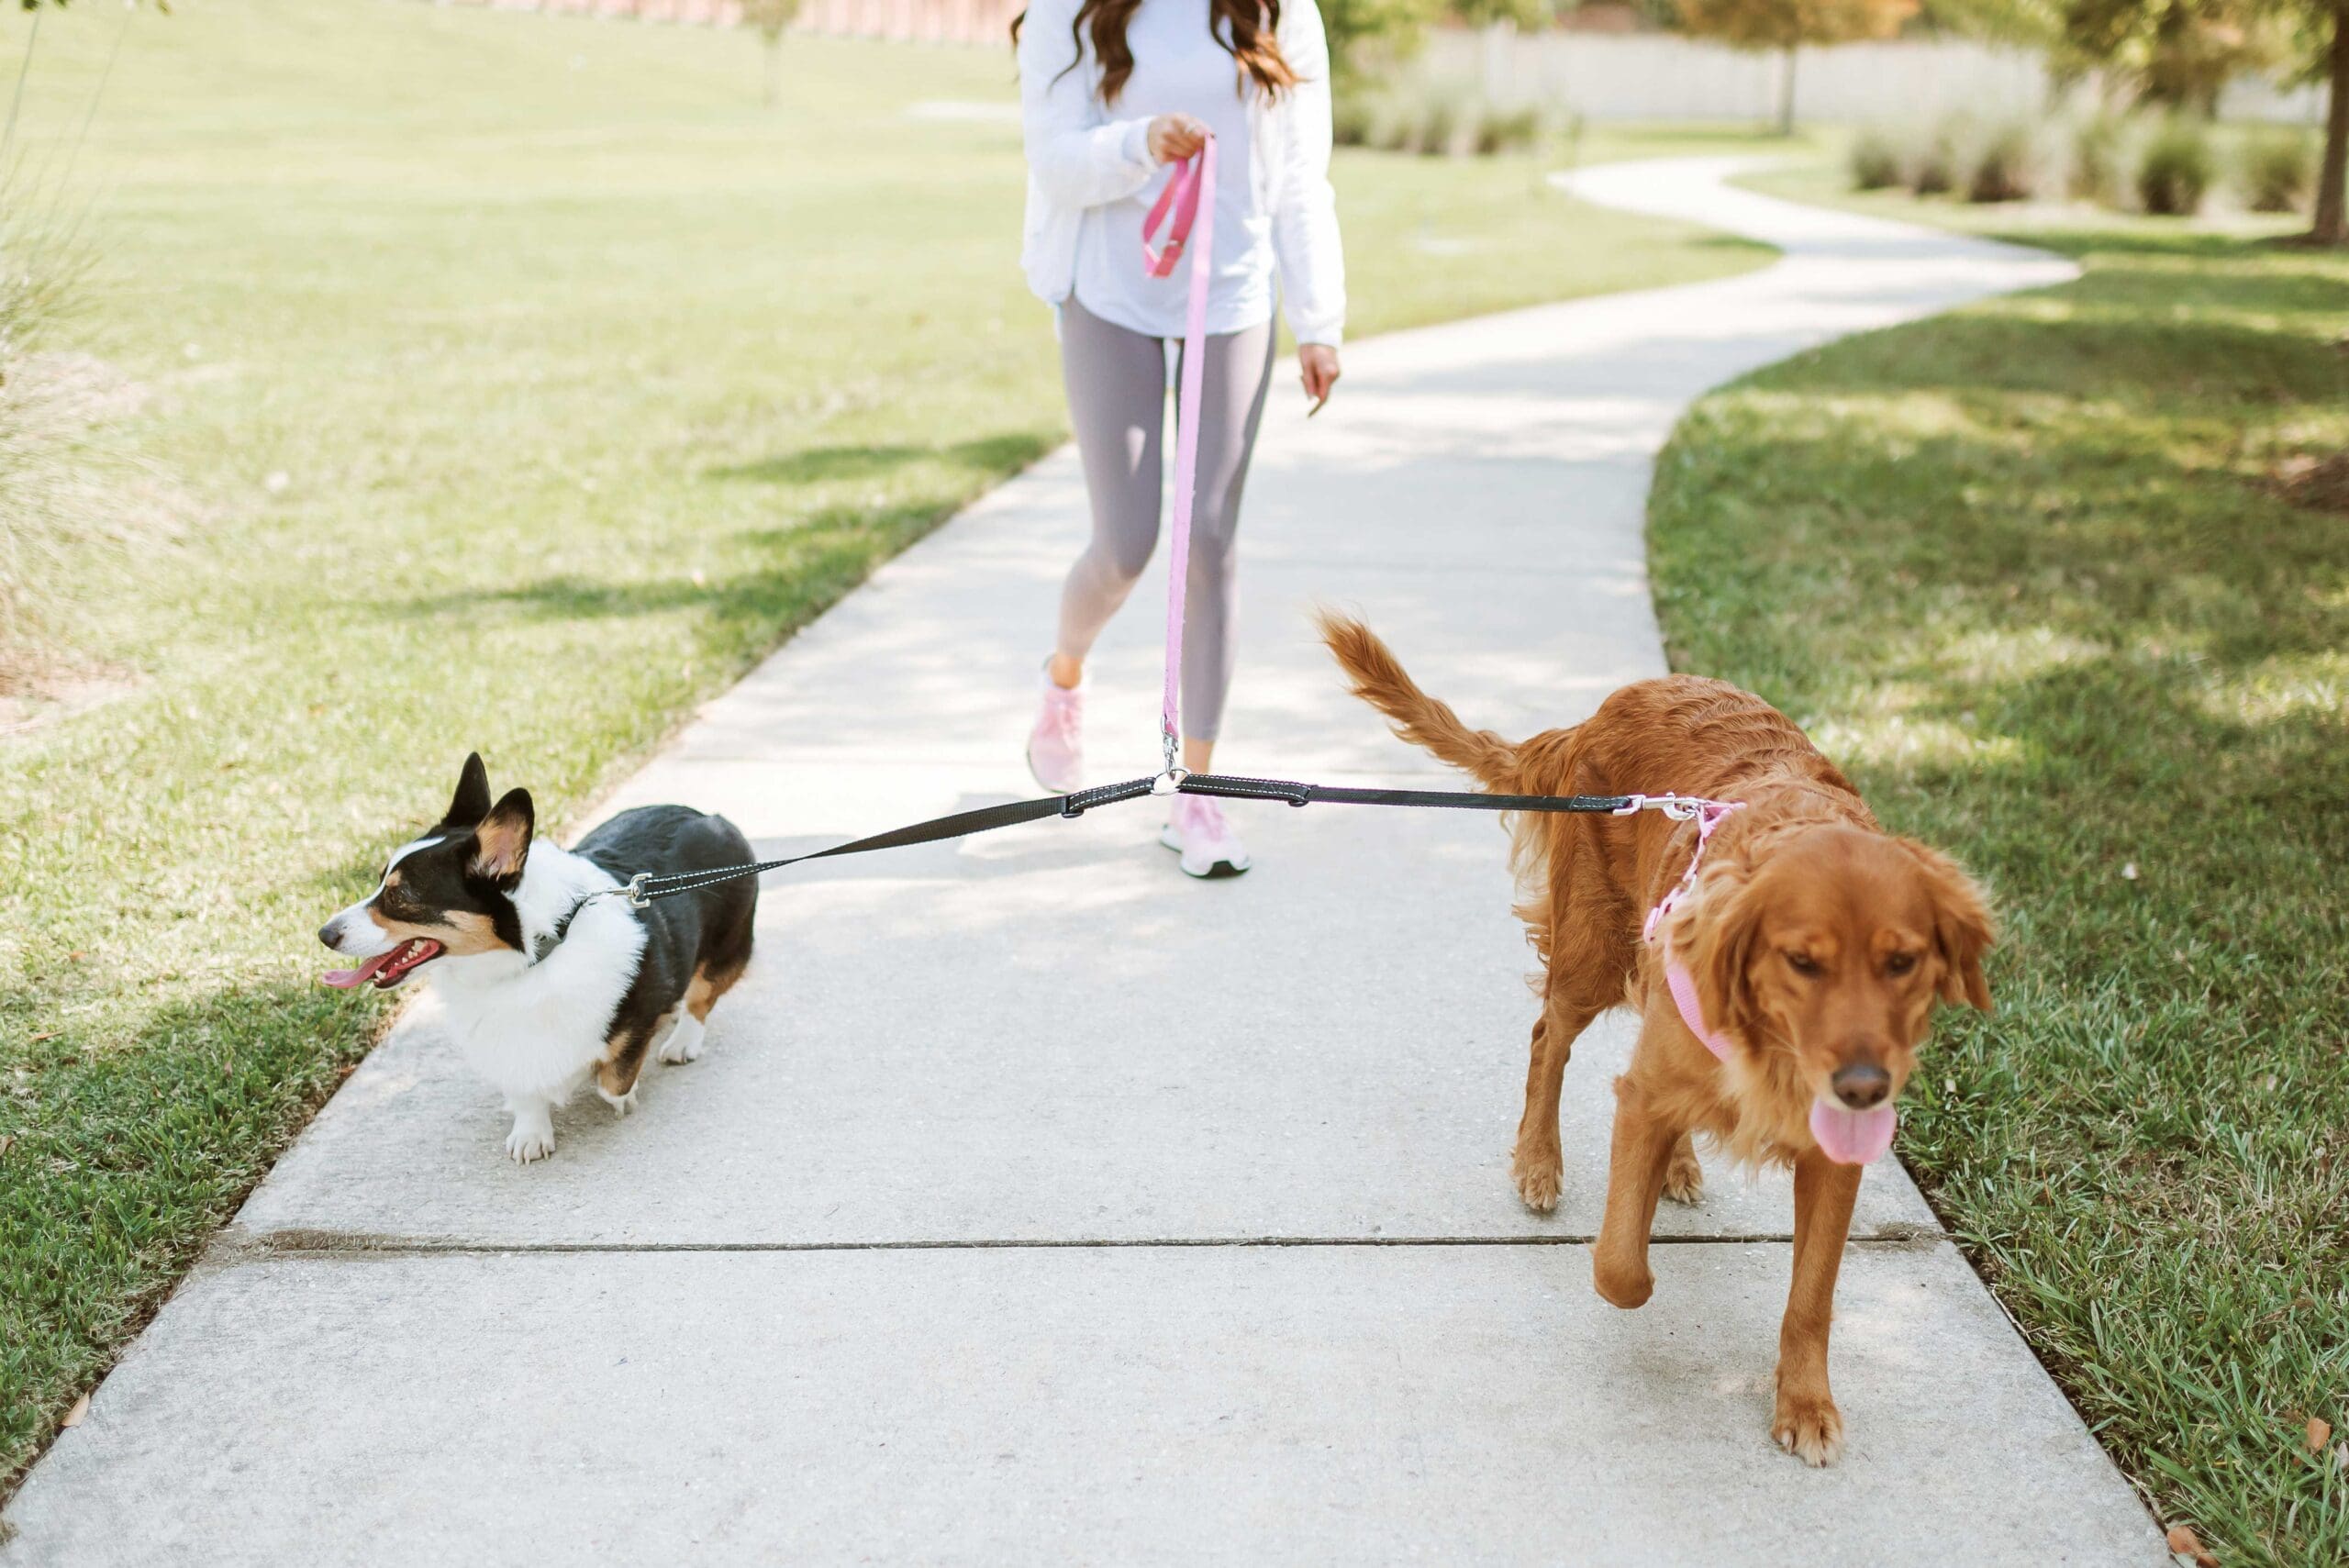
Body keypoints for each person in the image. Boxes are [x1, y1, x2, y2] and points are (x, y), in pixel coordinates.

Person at [1014, 0, 1345, 877]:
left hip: (1230, 295)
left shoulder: (1279, 11)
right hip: (1110, 290)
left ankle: (1197, 792)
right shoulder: (1069, 12)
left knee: (1209, 540)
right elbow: (1051, 159)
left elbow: (1304, 175)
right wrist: (1137, 143)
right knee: (1126, 542)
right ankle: (1064, 679)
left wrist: (1319, 318)